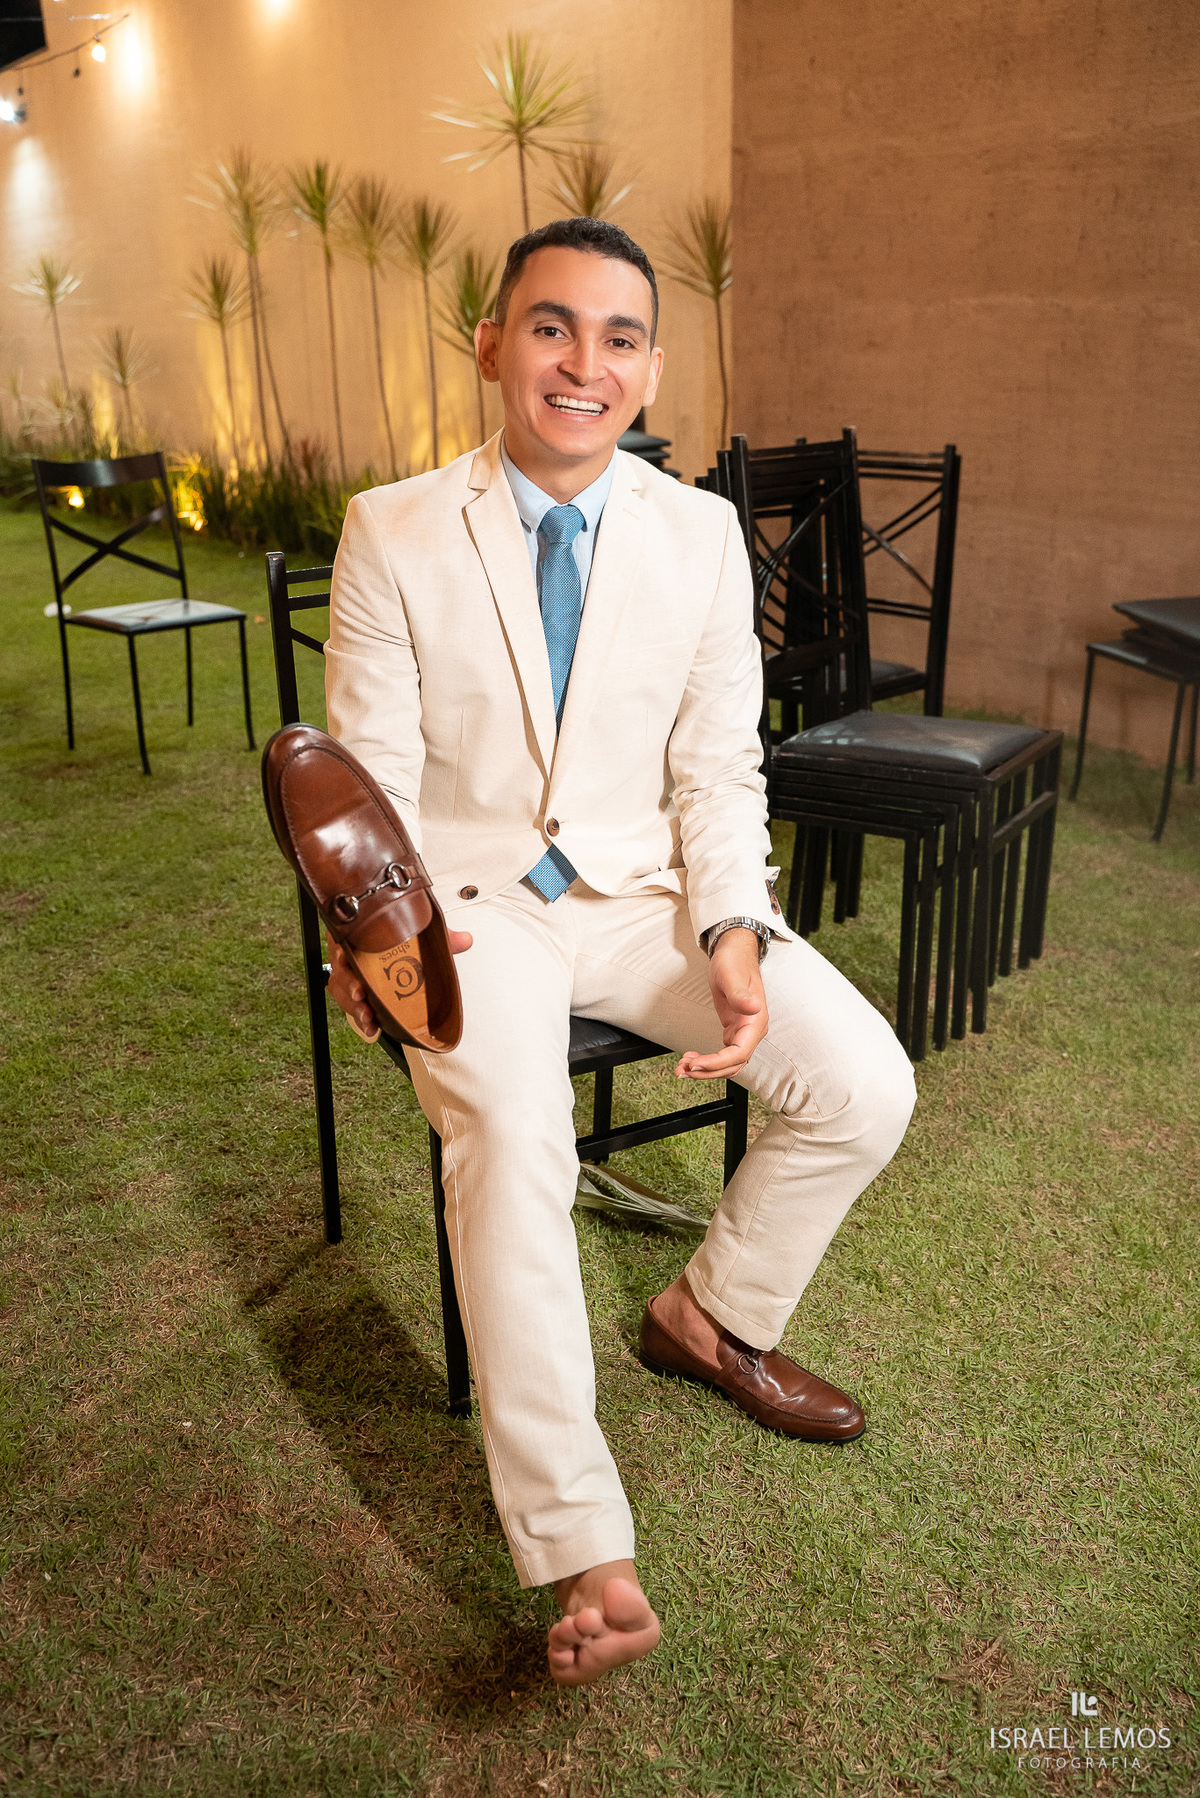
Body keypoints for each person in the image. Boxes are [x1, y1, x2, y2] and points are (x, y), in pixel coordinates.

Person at [323, 217, 916, 1685]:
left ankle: (708, 1320)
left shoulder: (702, 533)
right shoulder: (390, 528)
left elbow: (720, 765)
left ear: (651, 367)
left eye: (621, 337)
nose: (585, 364)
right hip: (468, 908)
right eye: (551, 328)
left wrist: (729, 929)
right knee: (515, 1131)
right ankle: (589, 1543)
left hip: (643, 892)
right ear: (492, 342)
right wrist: (378, 943)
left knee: (863, 1080)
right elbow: (370, 788)